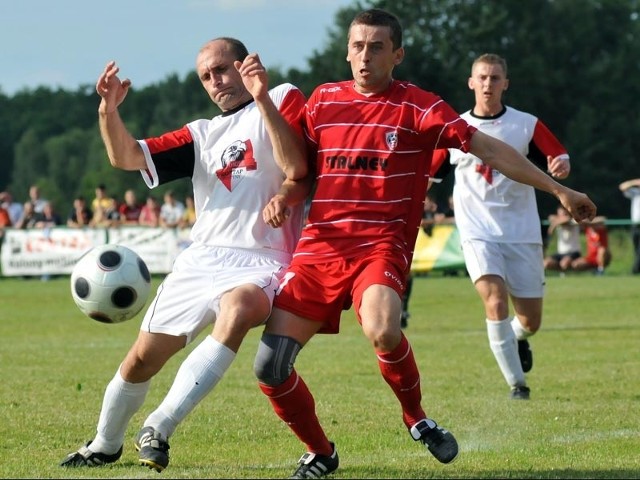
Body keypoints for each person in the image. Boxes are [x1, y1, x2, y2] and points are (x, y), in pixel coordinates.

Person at [252, 10, 596, 479]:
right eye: (357, 46)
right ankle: (321, 452)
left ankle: (416, 418)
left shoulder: (419, 106)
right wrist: (284, 196)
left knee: (383, 328)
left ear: (398, 54)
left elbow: (490, 149)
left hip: (380, 245)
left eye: (376, 47)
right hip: (320, 248)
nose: (364, 56)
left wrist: (560, 191)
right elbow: (301, 173)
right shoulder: (323, 100)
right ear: (347, 50)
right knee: (270, 368)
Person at [60, 37, 308, 472]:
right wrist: (108, 111)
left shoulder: (283, 97)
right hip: (201, 259)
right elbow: (125, 156)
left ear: (245, 64)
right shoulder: (201, 134)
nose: (216, 82)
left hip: (263, 257)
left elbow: (296, 167)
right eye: (206, 77)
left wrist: (261, 96)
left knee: (241, 307)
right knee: (141, 359)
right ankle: (105, 442)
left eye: (222, 70)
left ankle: (161, 423)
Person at [432, 52, 577, 401]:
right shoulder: (455, 128)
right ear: (470, 82)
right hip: (477, 232)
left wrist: (561, 167)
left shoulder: (526, 124)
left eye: (495, 78)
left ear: (505, 84)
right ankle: (518, 385)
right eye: (481, 77)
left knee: (530, 322)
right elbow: (430, 175)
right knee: (494, 301)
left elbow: (559, 157)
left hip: (522, 232)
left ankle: (516, 339)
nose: (487, 84)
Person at [543, 205, 582, 274]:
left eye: (565, 211)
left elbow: (566, 219)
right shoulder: (557, 220)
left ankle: (566, 274)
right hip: (561, 252)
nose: (564, 213)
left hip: (574, 252)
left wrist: (553, 225)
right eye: (562, 211)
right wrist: (557, 222)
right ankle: (562, 272)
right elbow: (551, 217)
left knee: (564, 263)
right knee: (546, 263)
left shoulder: (574, 221)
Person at [619, 178, 640, 274]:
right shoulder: (636, 193)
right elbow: (622, 187)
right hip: (636, 225)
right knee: (636, 248)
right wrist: (635, 182)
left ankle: (635, 270)